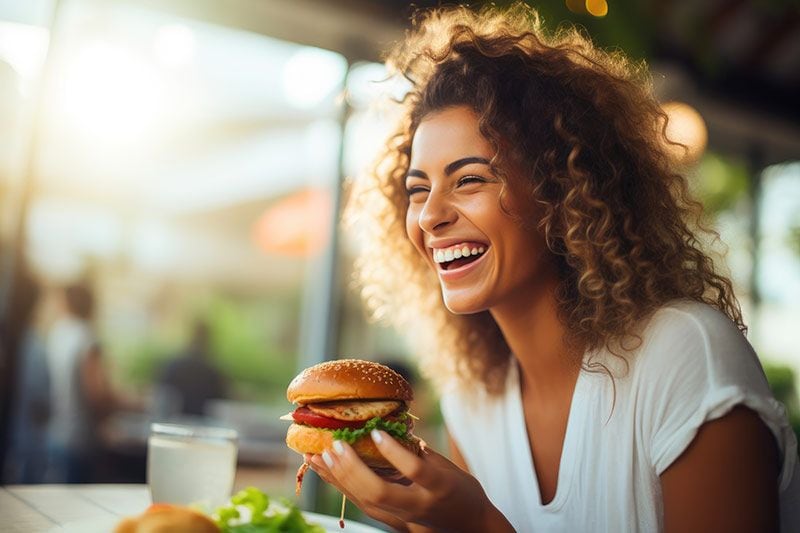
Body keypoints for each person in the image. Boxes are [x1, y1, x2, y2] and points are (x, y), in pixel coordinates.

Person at [306, 4, 800, 532]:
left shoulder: (683, 354)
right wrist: (421, 517)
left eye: (470, 180)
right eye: (418, 190)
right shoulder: (474, 398)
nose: (430, 216)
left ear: (562, 194)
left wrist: (476, 524)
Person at [46, 282, 114, 483]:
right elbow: (96, 393)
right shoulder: (87, 337)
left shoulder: (57, 333)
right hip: (80, 439)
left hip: (55, 432)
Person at [157, 319, 226, 417]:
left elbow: (162, 392)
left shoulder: (172, 365)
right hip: (200, 423)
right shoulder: (212, 371)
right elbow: (220, 397)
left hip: (172, 419)